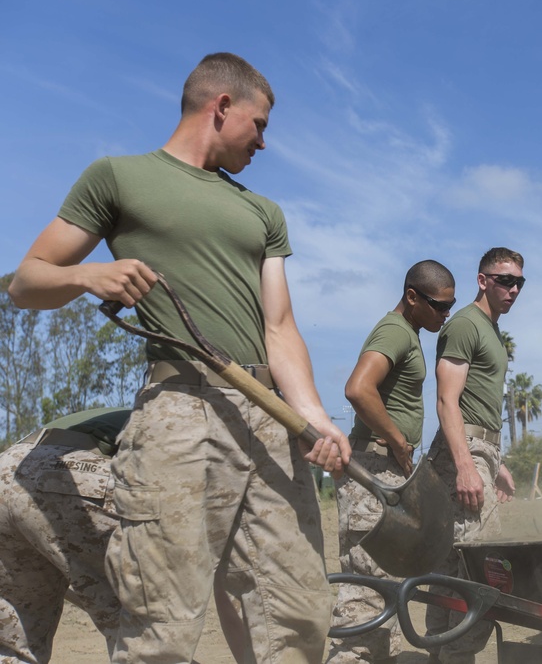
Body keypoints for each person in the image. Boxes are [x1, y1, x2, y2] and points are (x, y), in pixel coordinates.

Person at [7, 52, 351, 662]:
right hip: (179, 413)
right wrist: (90, 275)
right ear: (222, 107)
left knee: (295, 609)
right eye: (261, 124)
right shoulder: (117, 176)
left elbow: (280, 326)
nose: (265, 143)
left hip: (268, 416)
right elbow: (27, 281)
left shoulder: (262, 211)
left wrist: (315, 416)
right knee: (161, 616)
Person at [0, 408, 245, 663]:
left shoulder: (137, 411)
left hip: (8, 470)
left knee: (15, 643)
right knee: (146, 630)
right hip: (67, 472)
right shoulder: (217, 427)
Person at [328, 260, 456, 664]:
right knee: (366, 596)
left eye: (450, 306)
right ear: (412, 297)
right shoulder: (394, 331)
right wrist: (399, 441)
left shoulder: (409, 333)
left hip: (385, 471)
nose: (445, 314)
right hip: (374, 470)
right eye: (439, 305)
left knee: (385, 593)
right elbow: (357, 389)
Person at [424, 247, 521, 664]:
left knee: (451, 569)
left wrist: (496, 464)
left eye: (519, 282)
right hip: (463, 455)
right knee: (482, 572)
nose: (513, 289)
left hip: (481, 450)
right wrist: (467, 464)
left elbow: (476, 406)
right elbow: (448, 402)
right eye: (504, 280)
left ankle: (441, 655)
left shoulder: (491, 330)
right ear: (483, 280)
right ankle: (453, 655)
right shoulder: (466, 324)